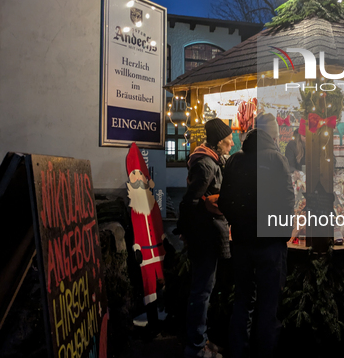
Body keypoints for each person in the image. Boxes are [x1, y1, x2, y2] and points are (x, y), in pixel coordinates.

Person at [218, 113, 294, 358]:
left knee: (242, 302)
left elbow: (224, 201)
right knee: (269, 306)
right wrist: (282, 234)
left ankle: (238, 352)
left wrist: (237, 224)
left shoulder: (234, 161)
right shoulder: (278, 160)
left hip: (241, 243)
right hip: (270, 246)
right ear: (273, 135)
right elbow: (287, 201)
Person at [178, 118, 234, 358]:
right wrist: (188, 231)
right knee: (202, 291)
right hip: (205, 235)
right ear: (220, 141)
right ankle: (197, 347)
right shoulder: (207, 164)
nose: (232, 143)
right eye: (229, 139)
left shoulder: (211, 160)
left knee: (205, 290)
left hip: (208, 232)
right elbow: (189, 202)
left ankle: (202, 339)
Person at [126, 142, 166, 329]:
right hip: (146, 252)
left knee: (162, 280)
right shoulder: (135, 207)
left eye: (140, 174)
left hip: (158, 249)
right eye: (135, 174)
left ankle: (164, 311)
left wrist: (163, 238)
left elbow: (157, 223)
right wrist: (136, 247)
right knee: (149, 285)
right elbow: (136, 228)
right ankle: (152, 319)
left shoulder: (152, 204)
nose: (138, 178)